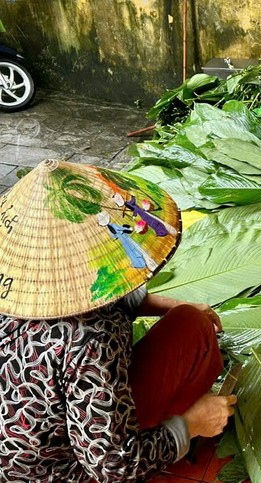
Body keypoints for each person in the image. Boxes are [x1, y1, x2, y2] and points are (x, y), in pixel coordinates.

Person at [0, 160, 236, 482]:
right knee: (192, 329)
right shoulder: (91, 339)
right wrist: (192, 424)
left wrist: (176, 303)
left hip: (17, 443)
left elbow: (116, 296)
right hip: (54, 471)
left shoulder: (17, 282)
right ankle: (166, 430)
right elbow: (112, 466)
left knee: (186, 317)